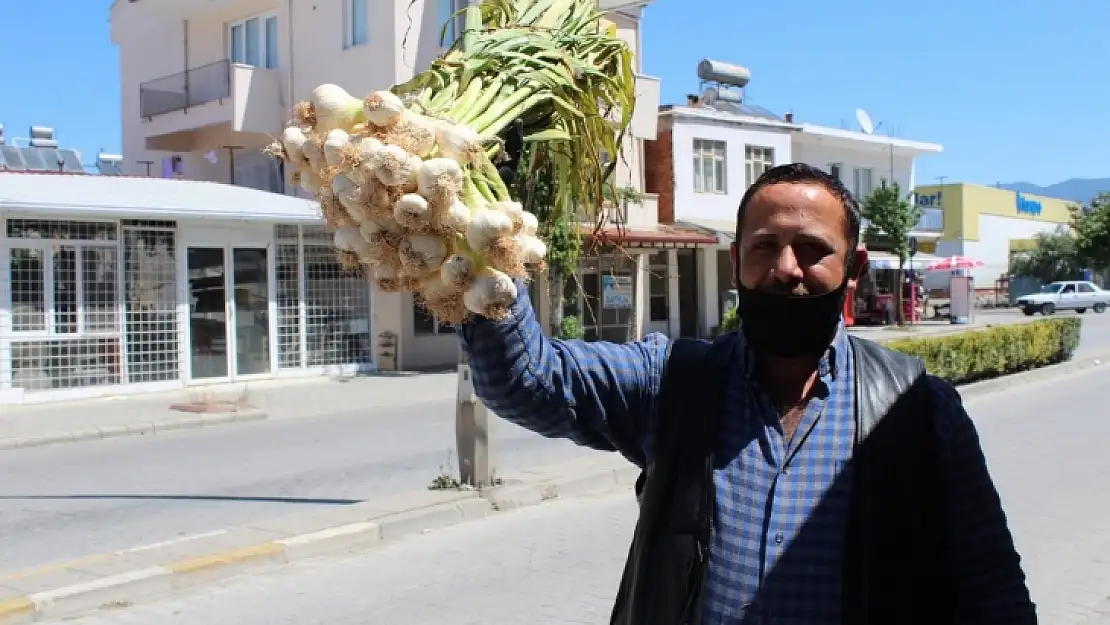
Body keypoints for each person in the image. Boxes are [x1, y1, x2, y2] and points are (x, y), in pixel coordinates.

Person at [458, 163, 1036, 624]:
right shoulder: (674, 382)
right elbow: (529, 380)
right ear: (736, 262)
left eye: (812, 249)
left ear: (853, 267)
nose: (786, 269)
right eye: (764, 246)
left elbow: (993, 587)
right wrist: (474, 250)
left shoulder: (916, 408)